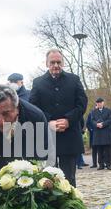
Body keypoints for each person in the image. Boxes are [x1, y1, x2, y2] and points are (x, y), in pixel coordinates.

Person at [0, 85, 49, 193]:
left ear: (17, 108)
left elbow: (42, 159)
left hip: (28, 172)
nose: (1, 121)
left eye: (6, 114)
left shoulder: (35, 117)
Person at [30, 49, 88, 186]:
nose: (56, 65)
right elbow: (33, 107)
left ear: (63, 63)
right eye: (52, 62)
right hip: (47, 136)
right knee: (48, 177)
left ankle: (71, 205)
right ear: (46, 63)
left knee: (69, 179)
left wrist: (68, 120)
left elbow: (82, 104)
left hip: (69, 135)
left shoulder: (74, 80)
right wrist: (48, 121)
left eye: (58, 62)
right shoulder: (38, 83)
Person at [91, 98, 111, 170]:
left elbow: (110, 120)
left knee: (107, 150)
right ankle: (101, 164)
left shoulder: (108, 111)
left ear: (103, 103)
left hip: (106, 132)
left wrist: (103, 124)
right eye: (98, 103)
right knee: (99, 150)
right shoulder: (93, 111)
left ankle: (108, 164)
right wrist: (96, 124)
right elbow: (92, 120)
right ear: (96, 104)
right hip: (98, 133)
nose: (99, 104)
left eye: (100, 102)